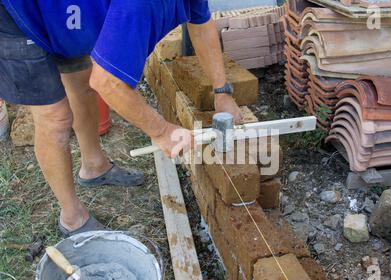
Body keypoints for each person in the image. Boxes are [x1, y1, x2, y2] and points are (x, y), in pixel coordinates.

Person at [0, 0, 243, 237]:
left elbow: (201, 24)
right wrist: (162, 131)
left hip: (64, 12)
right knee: (55, 117)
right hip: (19, 14)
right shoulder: (139, 4)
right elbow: (107, 83)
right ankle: (71, 218)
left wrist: (222, 91)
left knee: (81, 83)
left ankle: (94, 167)